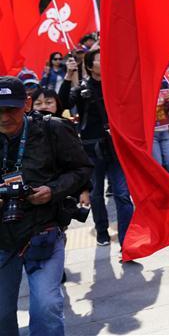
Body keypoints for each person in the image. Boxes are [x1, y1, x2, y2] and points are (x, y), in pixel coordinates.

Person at [0, 76, 93, 335]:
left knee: (46, 306)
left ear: (27, 104)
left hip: (43, 232)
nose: (4, 117)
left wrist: (53, 190)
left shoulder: (53, 129)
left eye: (11, 109)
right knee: (1, 314)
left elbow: (83, 169)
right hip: (2, 238)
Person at [59, 49, 134, 248]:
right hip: (92, 150)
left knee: (122, 194)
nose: (106, 61)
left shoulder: (116, 85)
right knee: (96, 194)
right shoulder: (83, 88)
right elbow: (62, 104)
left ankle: (127, 238)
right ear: (91, 66)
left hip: (117, 148)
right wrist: (68, 76)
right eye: (100, 59)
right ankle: (102, 230)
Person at [151, 83, 169, 175]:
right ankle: (163, 184)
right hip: (151, 133)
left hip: (165, 131)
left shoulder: (164, 86)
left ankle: (167, 181)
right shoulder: (143, 90)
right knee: (158, 163)